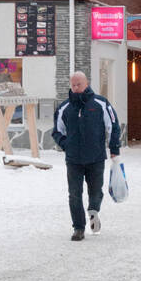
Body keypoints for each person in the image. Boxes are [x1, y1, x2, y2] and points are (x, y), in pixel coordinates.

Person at [52, 71, 121, 241]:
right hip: (74, 159)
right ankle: (78, 228)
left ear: (87, 83)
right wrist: (65, 144)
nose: (75, 88)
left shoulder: (100, 103)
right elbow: (57, 131)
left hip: (96, 157)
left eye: (79, 85)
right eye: (73, 85)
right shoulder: (64, 107)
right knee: (74, 194)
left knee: (96, 191)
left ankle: (93, 210)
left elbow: (113, 125)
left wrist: (114, 148)